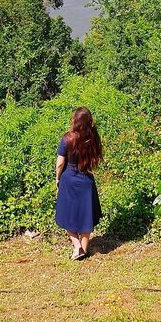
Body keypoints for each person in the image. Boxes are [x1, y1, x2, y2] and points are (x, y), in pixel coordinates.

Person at [55, 106, 103, 260]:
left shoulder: (67, 138)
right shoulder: (94, 137)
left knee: (65, 214)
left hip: (69, 178)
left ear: (75, 121)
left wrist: (57, 178)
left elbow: (60, 163)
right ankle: (83, 249)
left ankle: (77, 247)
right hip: (87, 179)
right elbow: (96, 158)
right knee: (86, 215)